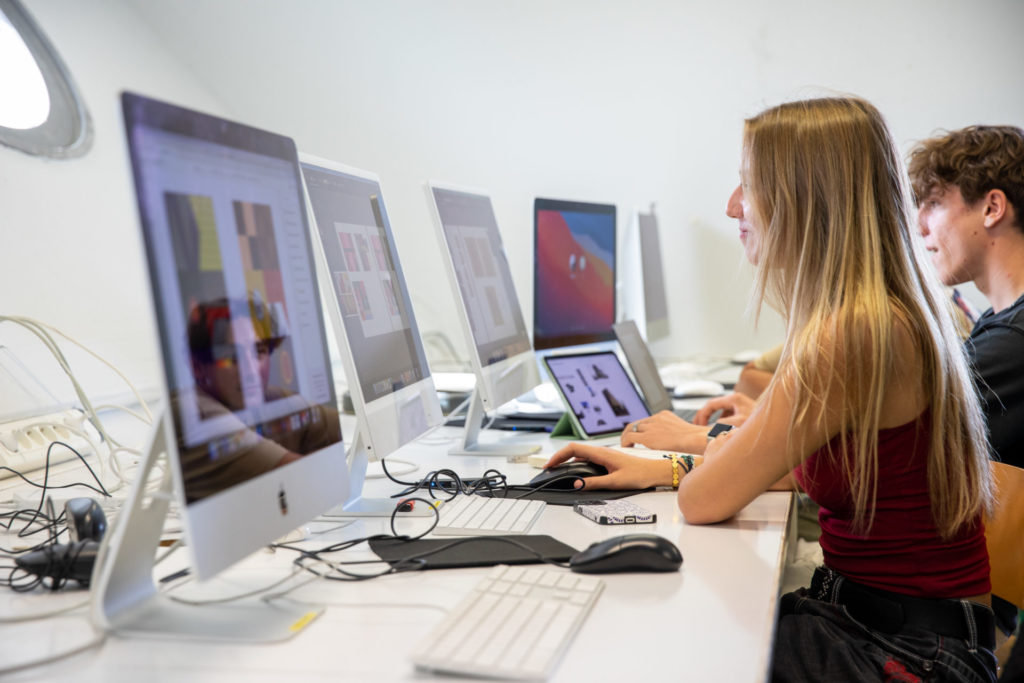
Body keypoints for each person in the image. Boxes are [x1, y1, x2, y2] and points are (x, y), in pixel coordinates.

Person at [545, 97, 997, 681]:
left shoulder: (853, 333)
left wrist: (689, 466)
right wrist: (669, 464)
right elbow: (791, 462)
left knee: (647, 645)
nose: (733, 205)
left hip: (910, 656)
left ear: (806, 198)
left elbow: (702, 501)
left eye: (749, 185)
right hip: (896, 631)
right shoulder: (874, 313)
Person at [908, 125, 1024, 471]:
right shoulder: (1000, 321)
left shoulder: (1012, 341)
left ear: (992, 207)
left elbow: (891, 449)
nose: (920, 226)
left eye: (933, 203)